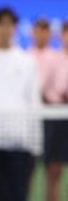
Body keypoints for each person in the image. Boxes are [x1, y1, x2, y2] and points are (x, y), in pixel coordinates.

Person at [0, 8, 42, 201]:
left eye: (9, 24)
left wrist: (36, 144)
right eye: (0, 24)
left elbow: (34, 101)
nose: (5, 29)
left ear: (15, 28)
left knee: (17, 195)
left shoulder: (26, 61)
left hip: (19, 143)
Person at [41, 20, 68, 201]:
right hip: (57, 118)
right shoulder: (53, 58)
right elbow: (44, 89)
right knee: (54, 169)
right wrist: (57, 99)